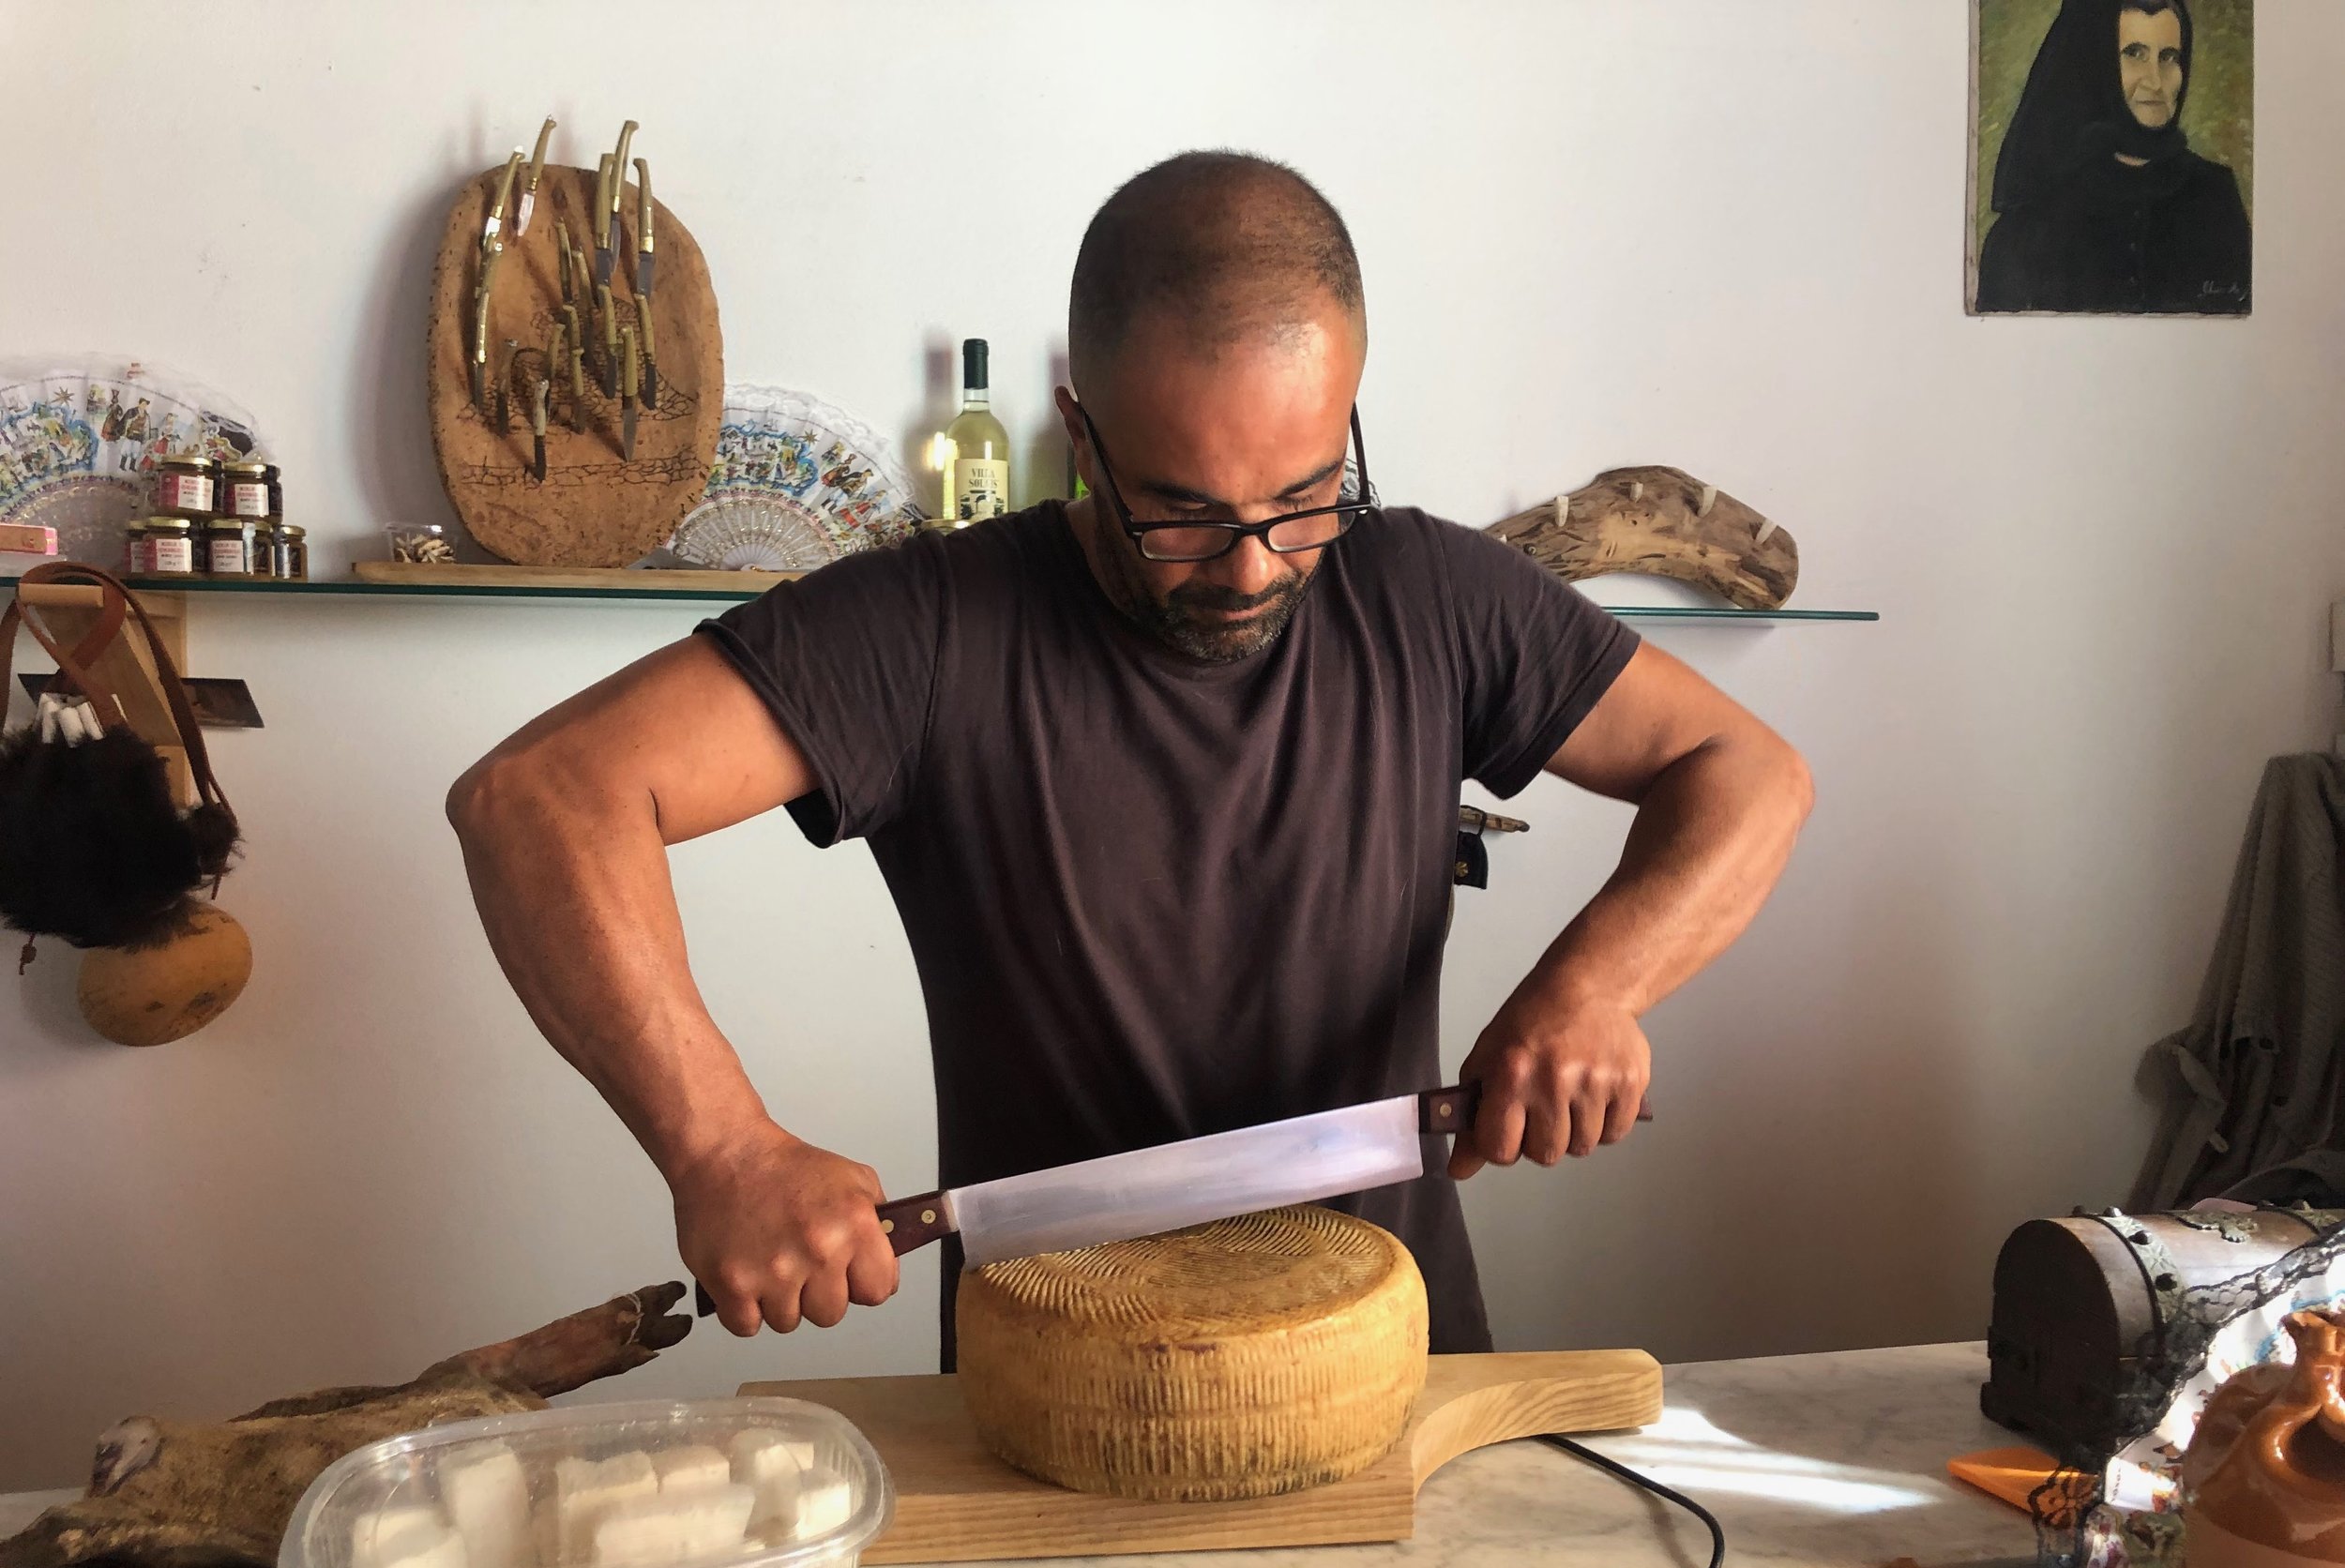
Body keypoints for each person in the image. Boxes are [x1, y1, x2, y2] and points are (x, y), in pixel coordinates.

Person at [448, 152, 1813, 1361]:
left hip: (1398, 1366)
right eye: (1184, 510)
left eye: (1304, 497)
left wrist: (1597, 987)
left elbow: (1745, 767)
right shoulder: (932, 627)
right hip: (1060, 1398)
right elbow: (538, 797)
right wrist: (722, 1144)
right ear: (1079, 429)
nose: (1255, 564)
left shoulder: (1431, 592)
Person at [1975, 0, 2250, 314]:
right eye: (2134, 54)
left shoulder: (2215, 197)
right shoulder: (2026, 230)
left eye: (2169, 57)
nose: (2155, 81)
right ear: (2095, 65)